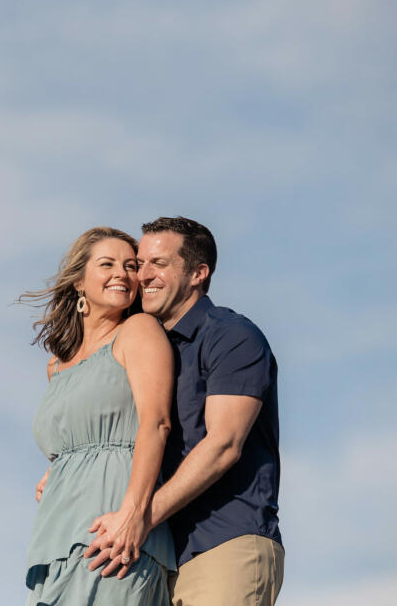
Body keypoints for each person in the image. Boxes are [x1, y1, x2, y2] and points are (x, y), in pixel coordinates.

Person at [84, 217, 283, 606]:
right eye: (140, 263)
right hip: (156, 555)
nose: (143, 275)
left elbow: (223, 445)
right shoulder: (146, 348)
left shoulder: (231, 335)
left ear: (198, 273)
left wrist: (139, 518)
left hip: (223, 545)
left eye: (159, 263)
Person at [22, 226, 177, 605]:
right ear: (79, 280)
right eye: (107, 264)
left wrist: (133, 515)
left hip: (115, 528)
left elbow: (156, 423)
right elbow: (78, 429)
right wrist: (59, 466)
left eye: (130, 266)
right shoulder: (56, 366)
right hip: (58, 531)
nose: (121, 274)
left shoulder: (138, 330)